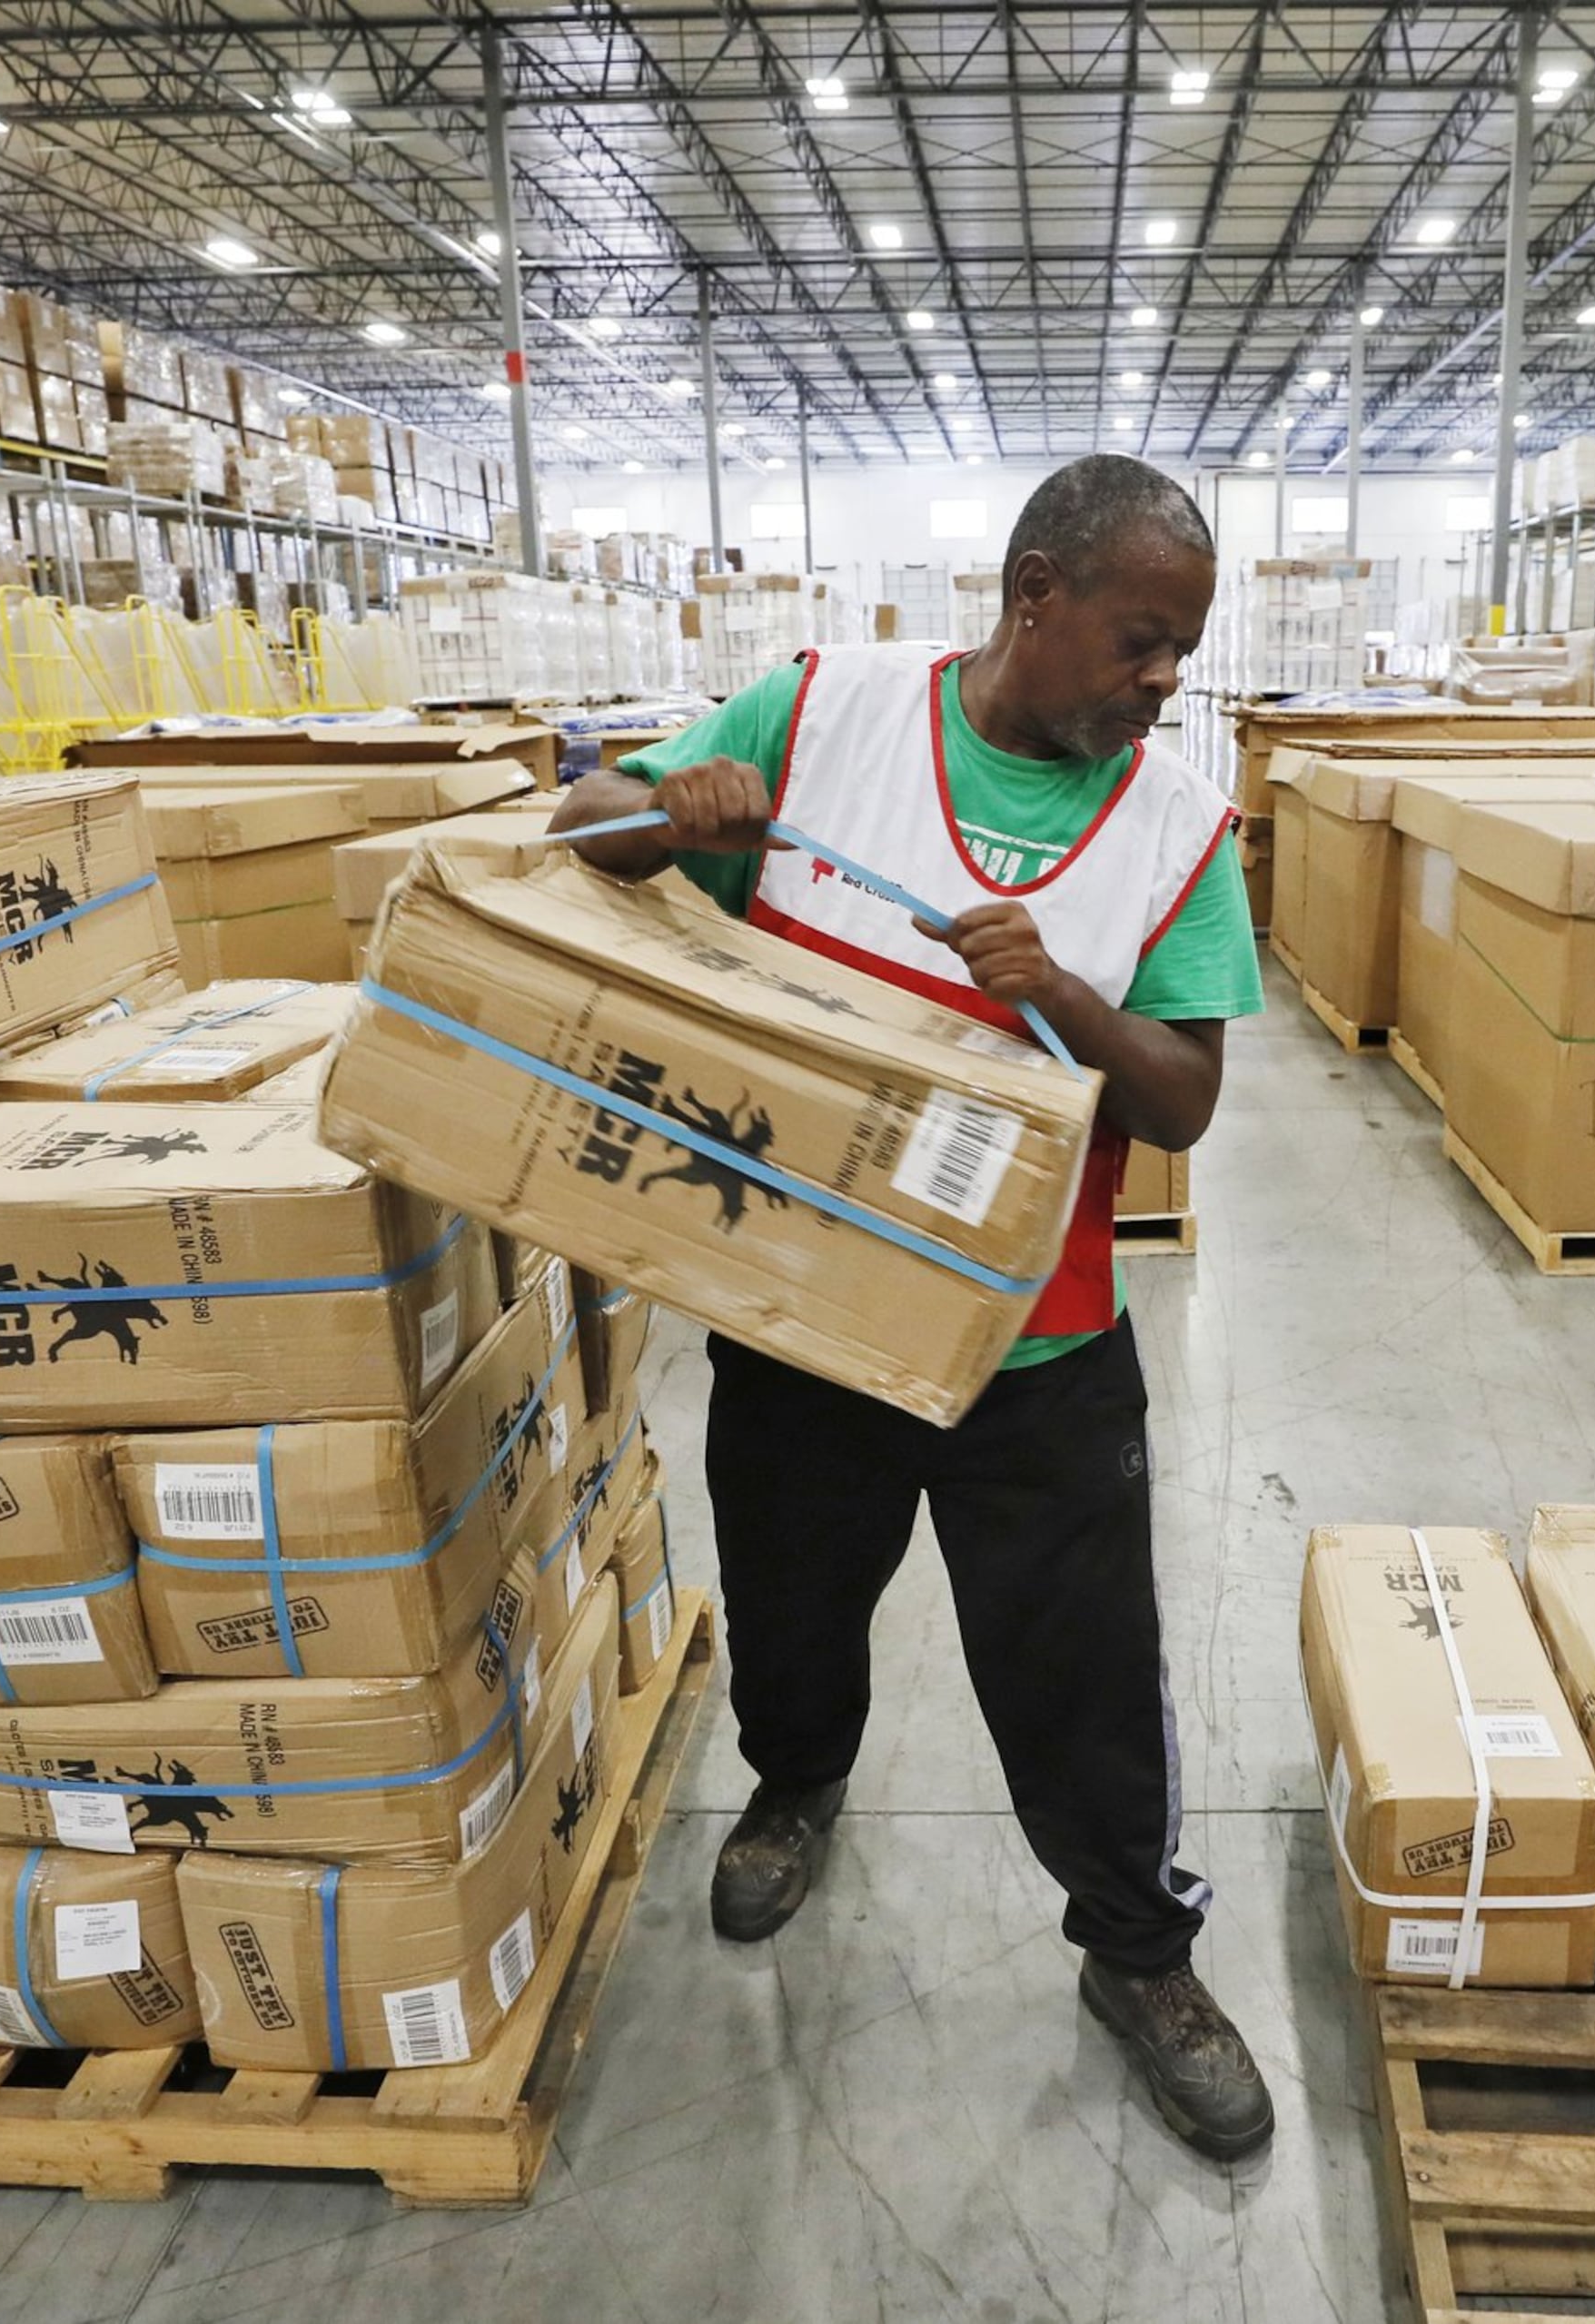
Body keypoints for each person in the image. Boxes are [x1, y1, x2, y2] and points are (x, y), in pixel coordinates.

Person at [546, 454, 1272, 2161]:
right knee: (797, 1596)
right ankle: (798, 1785)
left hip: (1042, 1338)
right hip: (806, 1308)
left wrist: (1068, 995)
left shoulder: (1178, 825)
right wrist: (678, 816)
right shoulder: (823, 713)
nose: (1165, 678)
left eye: (1182, 648)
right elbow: (576, 836)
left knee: (1081, 1665)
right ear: (1035, 598)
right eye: (1141, 639)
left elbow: (1182, 1105)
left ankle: (1139, 1955)